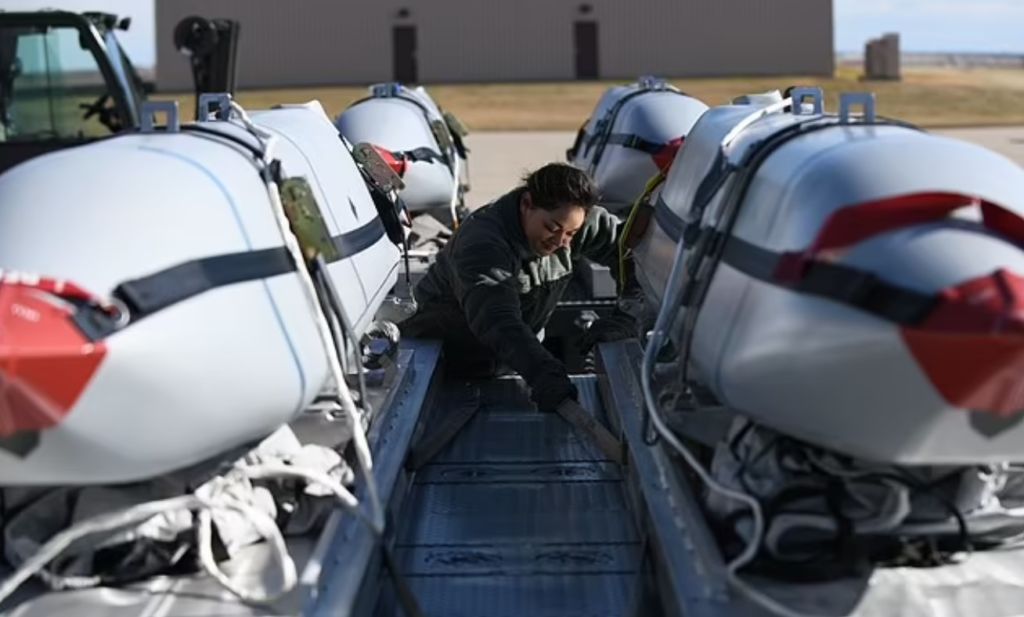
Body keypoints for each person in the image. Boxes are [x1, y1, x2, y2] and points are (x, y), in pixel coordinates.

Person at [400, 162, 629, 412]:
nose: (562, 243)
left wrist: (626, 314)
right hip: (443, 367)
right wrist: (543, 371)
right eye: (552, 229)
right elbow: (497, 320)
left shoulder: (569, 223)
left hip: (511, 361)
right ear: (527, 204)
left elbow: (629, 251)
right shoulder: (483, 244)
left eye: (572, 233)